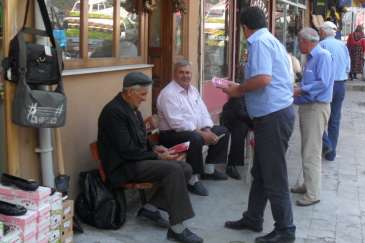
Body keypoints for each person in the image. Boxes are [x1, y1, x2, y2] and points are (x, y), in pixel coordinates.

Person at [97, 72, 203, 243]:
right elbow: (127, 151)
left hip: (136, 160)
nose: (145, 99)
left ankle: (150, 207)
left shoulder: (132, 109)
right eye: (143, 94)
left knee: (185, 168)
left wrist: (155, 147)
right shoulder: (113, 112)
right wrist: (157, 156)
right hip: (123, 166)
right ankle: (177, 228)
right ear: (130, 91)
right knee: (174, 169)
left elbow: (140, 141)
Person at [223, 7, 296, 243]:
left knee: (274, 175)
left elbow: (264, 79)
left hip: (273, 117)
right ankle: (253, 217)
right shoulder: (269, 39)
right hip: (273, 115)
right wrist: (241, 85)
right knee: (261, 172)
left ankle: (285, 229)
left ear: (244, 27)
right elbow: (265, 77)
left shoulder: (259, 42)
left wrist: (238, 89)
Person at [157, 60, 230, 197]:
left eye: (188, 72)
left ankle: (209, 170)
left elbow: (203, 112)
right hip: (171, 135)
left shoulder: (193, 90)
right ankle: (193, 180)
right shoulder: (168, 93)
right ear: (174, 74)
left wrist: (207, 130)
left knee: (222, 131)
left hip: (192, 131)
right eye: (181, 72)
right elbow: (177, 124)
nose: (185, 76)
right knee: (195, 138)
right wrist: (201, 133)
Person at [293, 27, 334, 207]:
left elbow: (323, 83)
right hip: (308, 106)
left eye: (300, 42)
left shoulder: (322, 56)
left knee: (312, 150)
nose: (298, 45)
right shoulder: (310, 58)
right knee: (307, 148)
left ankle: (313, 193)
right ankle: (308, 184)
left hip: (316, 108)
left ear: (307, 41)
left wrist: (301, 89)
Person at [318, 21, 350, 162]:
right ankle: (331, 154)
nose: (319, 34)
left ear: (324, 32)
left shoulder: (321, 45)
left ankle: (327, 144)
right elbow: (348, 67)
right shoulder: (342, 46)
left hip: (326, 85)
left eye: (320, 31)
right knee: (334, 119)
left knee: (318, 117)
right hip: (340, 84)